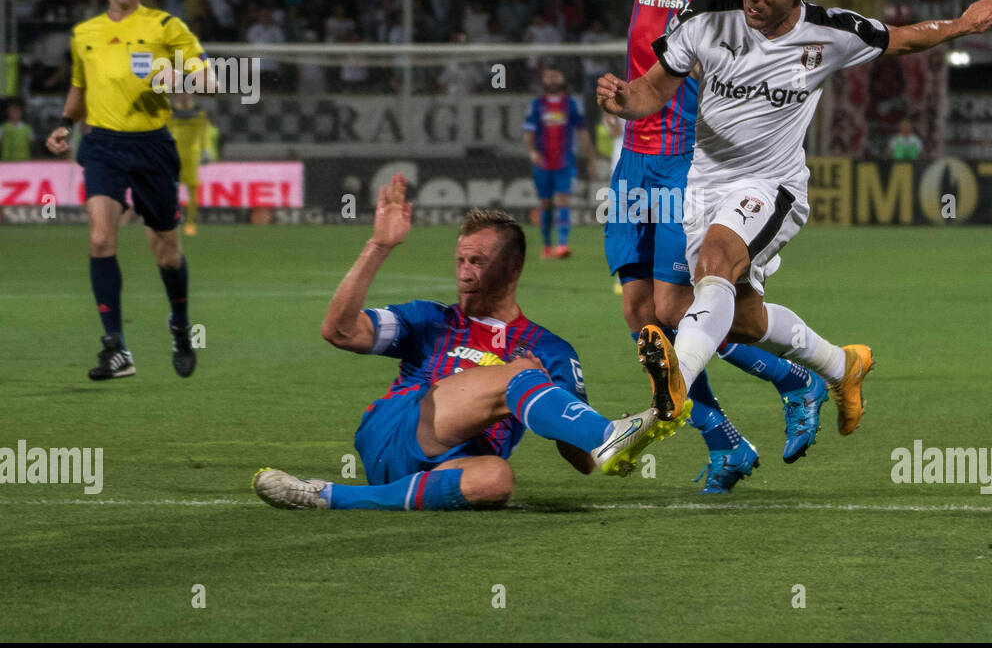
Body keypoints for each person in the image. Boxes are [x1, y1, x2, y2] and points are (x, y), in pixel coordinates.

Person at [597, 0, 992, 434]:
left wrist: (962, 24)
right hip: (702, 184)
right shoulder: (704, 19)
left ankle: (676, 382)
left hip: (771, 187)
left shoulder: (832, 34)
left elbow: (907, 37)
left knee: (715, 262)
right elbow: (654, 88)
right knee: (735, 318)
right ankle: (843, 366)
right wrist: (623, 100)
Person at [532, 0, 830, 493]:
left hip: (691, 159)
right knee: (642, 314)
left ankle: (798, 378)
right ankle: (726, 441)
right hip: (633, 152)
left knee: (680, 310)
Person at [252, 175, 685, 511]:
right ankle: (611, 433)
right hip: (397, 432)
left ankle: (329, 496)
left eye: (477, 261)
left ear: (513, 268)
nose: (464, 272)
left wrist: (566, 415)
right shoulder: (429, 319)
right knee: (523, 373)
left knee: (496, 480)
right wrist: (379, 245)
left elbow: (581, 461)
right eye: (460, 260)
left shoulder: (553, 350)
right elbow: (339, 331)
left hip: (449, 468)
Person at [44, 0, 220, 381]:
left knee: (168, 254)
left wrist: (178, 75)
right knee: (101, 238)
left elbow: (212, 81)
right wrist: (66, 123)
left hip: (151, 147)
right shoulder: (85, 34)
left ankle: (180, 325)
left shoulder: (166, 26)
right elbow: (81, 87)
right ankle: (116, 348)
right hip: (101, 145)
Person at [522, 66, 595, 259]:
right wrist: (532, 152)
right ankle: (547, 246)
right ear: (543, 80)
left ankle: (562, 245)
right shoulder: (536, 105)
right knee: (545, 203)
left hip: (564, 161)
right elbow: (528, 131)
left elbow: (583, 131)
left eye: (556, 75)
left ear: (562, 78)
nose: (552, 79)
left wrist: (589, 158)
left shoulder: (572, 104)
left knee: (563, 200)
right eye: (548, 76)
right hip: (542, 162)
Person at [165, 94, 212, 236]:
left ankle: (190, 223)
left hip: (192, 154)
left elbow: (204, 133)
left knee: (192, 187)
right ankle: (171, 220)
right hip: (174, 154)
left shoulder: (199, 111)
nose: (184, 94)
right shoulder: (170, 111)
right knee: (170, 189)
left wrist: (206, 149)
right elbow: (165, 131)